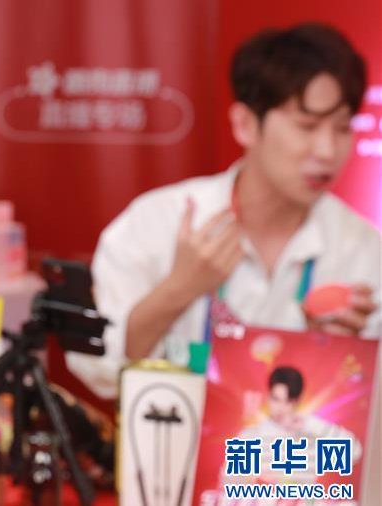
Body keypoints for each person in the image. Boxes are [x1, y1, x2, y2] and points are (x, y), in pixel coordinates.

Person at [67, 23, 381, 399]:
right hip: (171, 435)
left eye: (343, 128)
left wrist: (330, 352)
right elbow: (99, 370)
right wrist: (177, 290)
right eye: (307, 126)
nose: (327, 150)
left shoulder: (363, 250)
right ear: (245, 124)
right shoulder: (156, 222)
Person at [230, 366, 361, 483]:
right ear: (268, 396)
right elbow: (230, 481)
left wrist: (310, 425)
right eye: (276, 399)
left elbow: (354, 452)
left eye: (288, 401)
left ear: (297, 402)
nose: (281, 408)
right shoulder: (252, 435)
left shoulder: (310, 435)